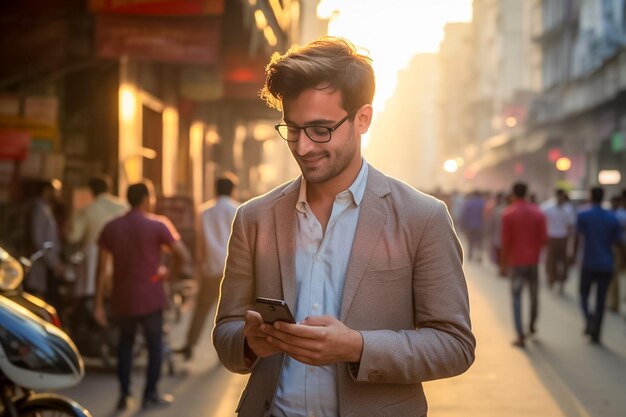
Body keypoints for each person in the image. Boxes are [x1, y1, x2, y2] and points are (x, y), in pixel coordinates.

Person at [213, 37, 475, 417]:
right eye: (292, 129)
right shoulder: (255, 217)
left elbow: (454, 345)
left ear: (363, 119)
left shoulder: (422, 217)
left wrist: (357, 347)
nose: (303, 147)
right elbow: (225, 334)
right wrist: (250, 341)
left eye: (320, 129)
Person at [94, 181, 192, 411]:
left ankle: (123, 394)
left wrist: (98, 303)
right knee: (154, 346)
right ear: (146, 199)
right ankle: (150, 394)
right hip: (151, 295)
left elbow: (102, 269)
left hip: (123, 296)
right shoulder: (158, 225)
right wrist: (169, 274)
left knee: (125, 345)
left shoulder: (112, 226)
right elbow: (183, 255)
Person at [176, 173, 240, 360]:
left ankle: (190, 345)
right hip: (233, 269)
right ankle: (229, 351)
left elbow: (200, 243)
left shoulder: (204, 211)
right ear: (232, 190)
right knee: (231, 314)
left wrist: (199, 266)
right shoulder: (238, 209)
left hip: (210, 268)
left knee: (202, 310)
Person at [571, 186, 624, 344]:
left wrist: (573, 256)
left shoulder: (584, 215)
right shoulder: (611, 218)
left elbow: (577, 238)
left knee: (584, 295)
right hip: (606, 263)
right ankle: (597, 331)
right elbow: (619, 243)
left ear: (590, 196)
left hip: (589, 263)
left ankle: (589, 320)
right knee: (601, 300)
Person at [500, 182, 547, 348]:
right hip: (533, 261)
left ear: (513, 194)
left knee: (516, 299)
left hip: (516, 262)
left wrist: (502, 265)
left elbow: (506, 243)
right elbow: (544, 239)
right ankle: (532, 325)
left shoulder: (508, 213)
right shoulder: (538, 212)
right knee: (534, 296)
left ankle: (520, 335)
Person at [67, 175, 128, 301]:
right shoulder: (123, 207)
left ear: (91, 191)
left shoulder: (88, 210)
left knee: (92, 290)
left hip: (93, 257)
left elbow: (74, 236)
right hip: (118, 255)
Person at [22, 179, 65, 309]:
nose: (58, 195)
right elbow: (38, 240)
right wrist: (53, 262)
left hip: (46, 265)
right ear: (47, 191)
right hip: (41, 265)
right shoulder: (39, 209)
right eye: (55, 191)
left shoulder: (45, 209)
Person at [541, 188, 576, 293]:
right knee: (551, 260)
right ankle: (551, 279)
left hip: (563, 238)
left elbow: (571, 225)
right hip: (551, 237)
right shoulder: (548, 208)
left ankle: (562, 282)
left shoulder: (568, 209)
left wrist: (571, 240)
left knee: (563, 261)